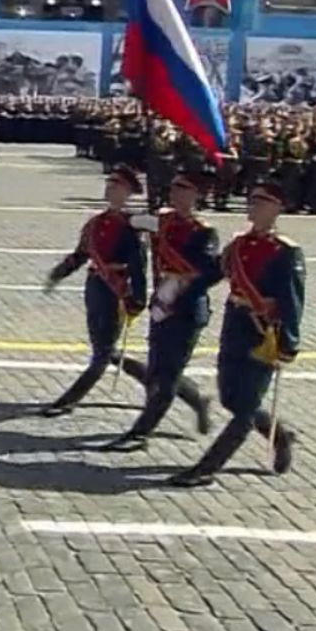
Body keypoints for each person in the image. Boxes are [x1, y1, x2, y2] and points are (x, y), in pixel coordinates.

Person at [169, 178, 302, 487]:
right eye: (251, 199)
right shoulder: (239, 245)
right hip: (235, 325)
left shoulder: (285, 252)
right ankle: (280, 434)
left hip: (263, 332)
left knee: (243, 408)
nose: (252, 206)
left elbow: (293, 300)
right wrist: (182, 297)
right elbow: (211, 275)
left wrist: (288, 343)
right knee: (231, 398)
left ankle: (206, 468)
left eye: (261, 201)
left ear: (277, 209)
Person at [102, 169, 215, 450]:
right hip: (161, 305)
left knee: (166, 377)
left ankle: (140, 433)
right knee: (158, 373)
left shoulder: (204, 232)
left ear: (197, 195)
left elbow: (204, 273)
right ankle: (197, 401)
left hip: (187, 310)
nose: (177, 193)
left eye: (184, 189)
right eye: (174, 187)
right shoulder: (159, 220)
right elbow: (127, 222)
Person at [40, 166, 151, 416]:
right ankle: (168, 387)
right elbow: (81, 254)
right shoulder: (96, 222)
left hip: (117, 289)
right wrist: (58, 273)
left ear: (128, 192)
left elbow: (139, 263)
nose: (110, 189)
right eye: (109, 184)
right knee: (105, 350)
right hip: (96, 287)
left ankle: (67, 401)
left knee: (102, 354)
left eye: (117, 186)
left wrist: (138, 298)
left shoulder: (133, 224)